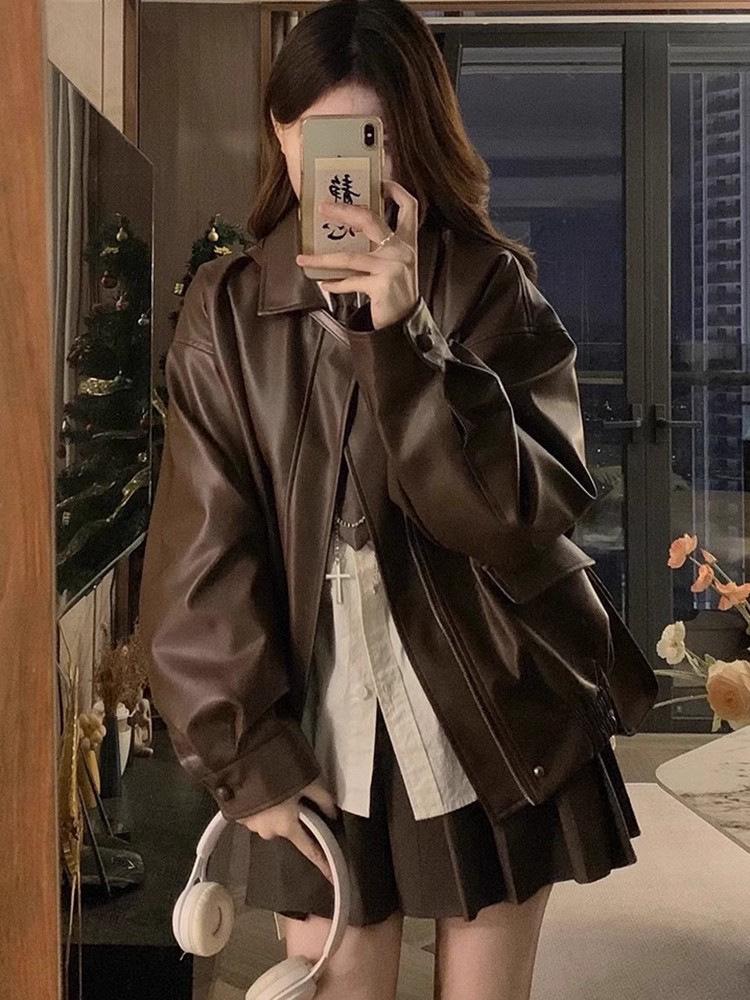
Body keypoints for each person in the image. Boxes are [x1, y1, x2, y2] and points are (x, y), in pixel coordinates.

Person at [138, 1, 656, 998]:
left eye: (365, 139)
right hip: (317, 718)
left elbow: (509, 517)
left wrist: (406, 334)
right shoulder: (227, 310)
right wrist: (245, 752)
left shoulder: (491, 288)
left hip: (491, 708)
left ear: (407, 141)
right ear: (281, 133)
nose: (339, 170)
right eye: (316, 135)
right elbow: (202, 542)